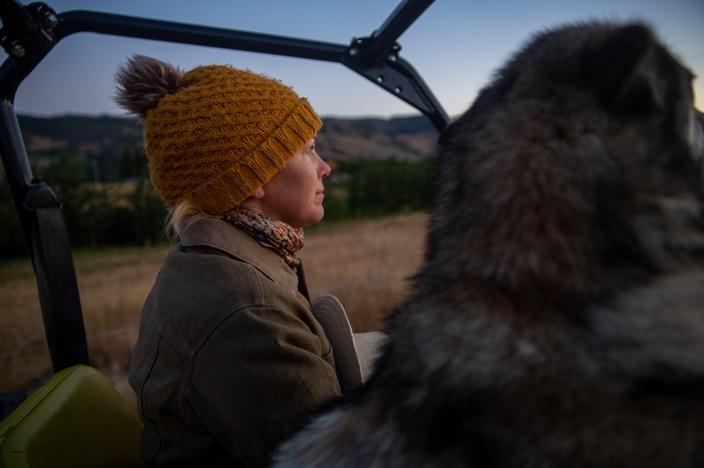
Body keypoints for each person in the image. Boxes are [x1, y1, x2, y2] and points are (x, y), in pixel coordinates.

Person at [115, 55, 342, 468]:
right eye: (308, 150)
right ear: (253, 175)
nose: (325, 167)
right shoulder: (247, 312)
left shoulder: (219, 263)